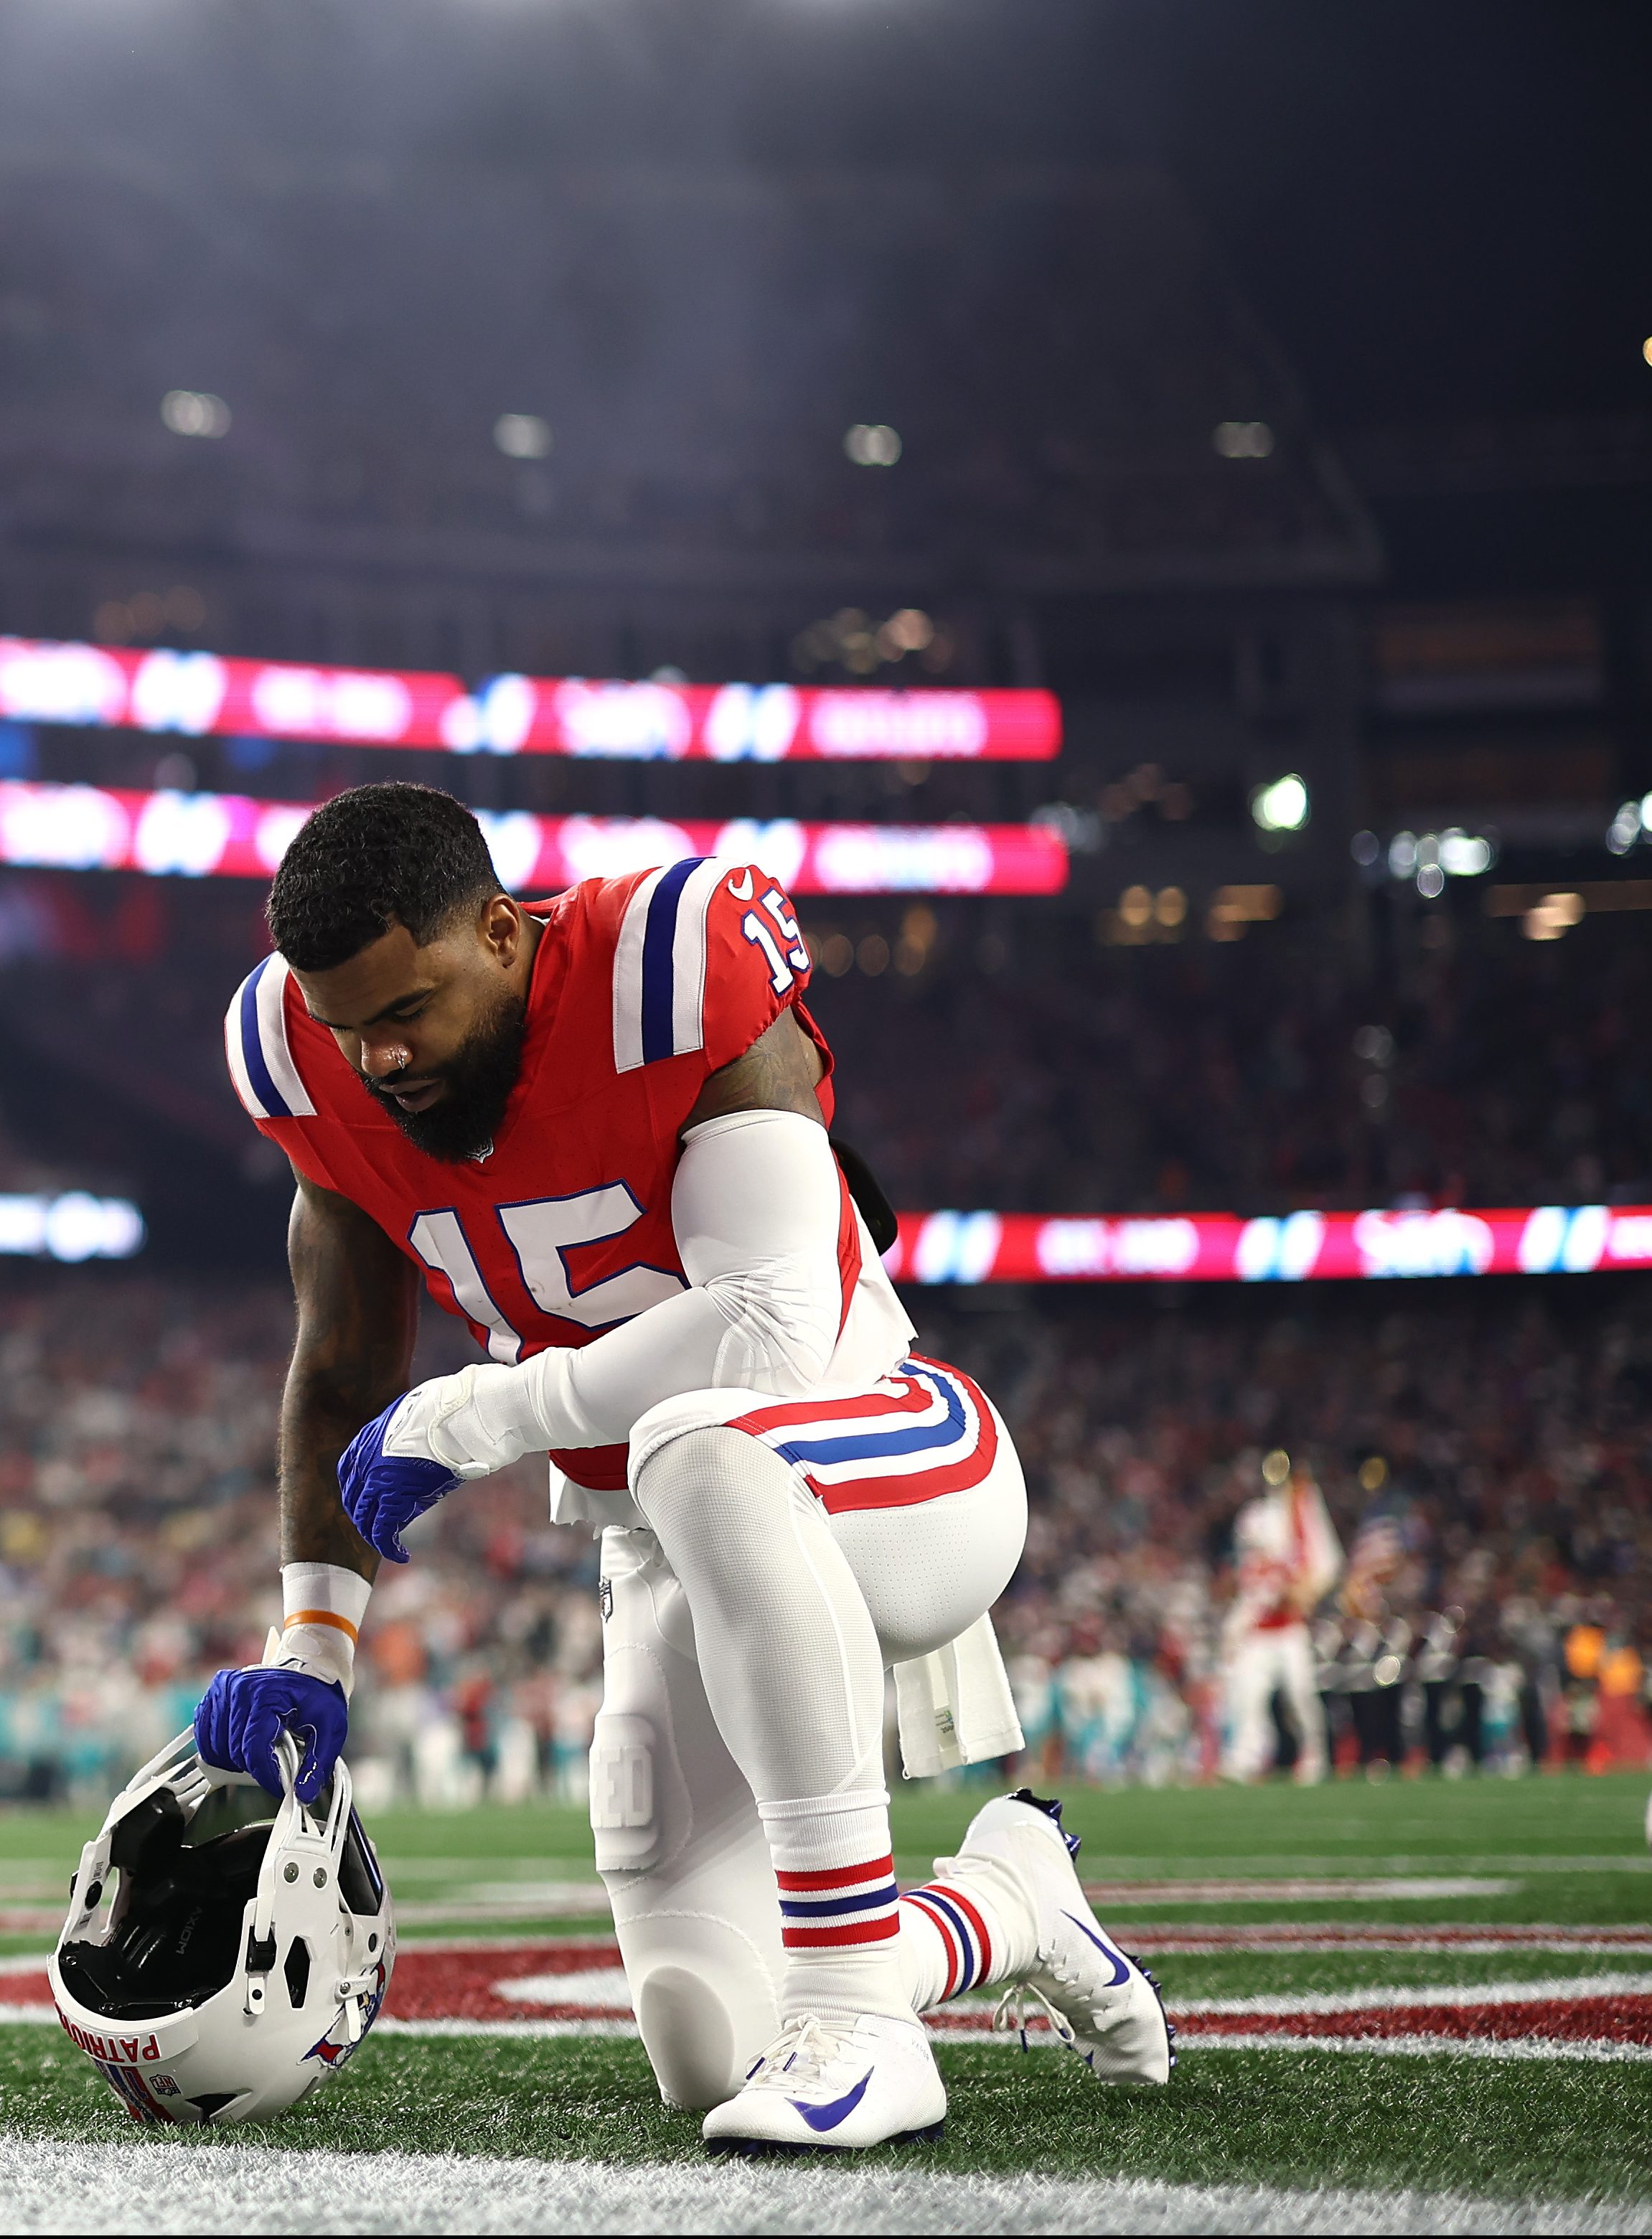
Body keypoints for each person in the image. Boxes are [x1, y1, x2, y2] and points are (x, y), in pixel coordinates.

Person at [190, 784, 1170, 2154]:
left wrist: (480, 1415)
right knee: (705, 2038)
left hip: (893, 1453)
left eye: (407, 1011)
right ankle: (1012, 1898)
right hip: (665, 1532)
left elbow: (769, 1327)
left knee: (698, 1444)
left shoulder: (662, 964)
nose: (379, 1057)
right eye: (348, 1028)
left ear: (499, 930)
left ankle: (868, 2029)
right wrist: (314, 1641)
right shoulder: (306, 1055)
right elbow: (347, 1360)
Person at [1220, 1451, 1343, 1782]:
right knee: (1249, 1698)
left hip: (1288, 1629)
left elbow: (1309, 1568)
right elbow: (1247, 1594)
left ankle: (1316, 1755)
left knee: (1302, 1697)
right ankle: (1244, 1758)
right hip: (1260, 1633)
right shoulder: (1254, 1556)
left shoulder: (1289, 1535)